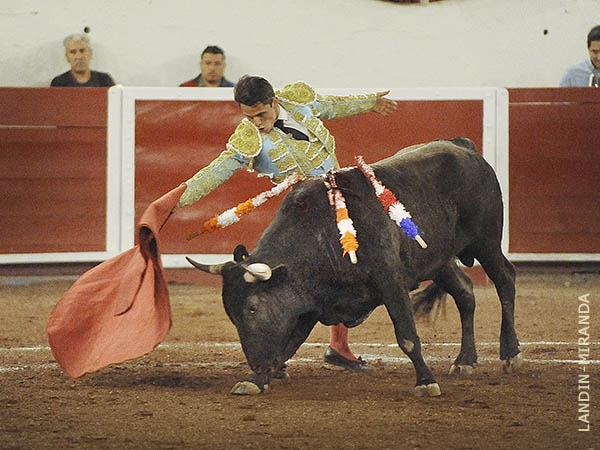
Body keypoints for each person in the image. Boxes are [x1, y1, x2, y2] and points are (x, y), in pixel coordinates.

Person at [174, 75, 397, 371]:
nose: (257, 122)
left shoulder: (299, 101)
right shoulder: (247, 138)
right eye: (249, 116)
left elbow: (330, 106)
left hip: (337, 200)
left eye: (262, 114)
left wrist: (370, 103)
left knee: (348, 269)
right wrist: (179, 198)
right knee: (287, 283)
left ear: (274, 101)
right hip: (300, 216)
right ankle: (275, 354)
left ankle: (338, 347)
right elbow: (217, 171)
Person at [51, 34, 115, 87]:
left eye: (82, 51)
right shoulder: (59, 83)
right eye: (73, 52)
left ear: (90, 54)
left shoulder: (104, 80)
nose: (79, 57)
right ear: (67, 57)